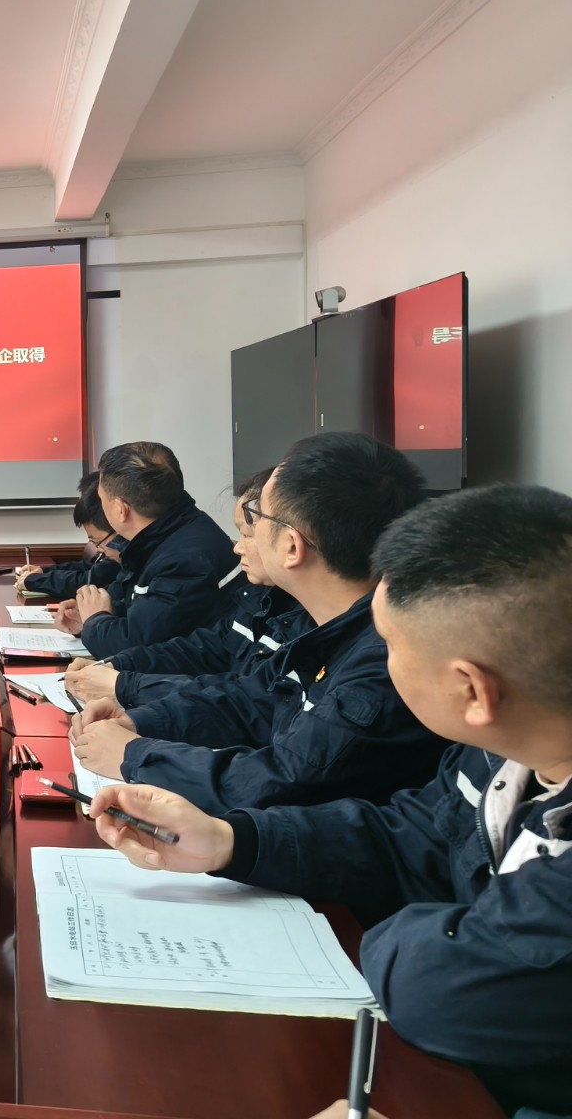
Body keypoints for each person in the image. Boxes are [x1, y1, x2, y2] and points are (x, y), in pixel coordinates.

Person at [91, 484, 572, 1116]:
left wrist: (406, 929)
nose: (379, 660)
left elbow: (437, 990)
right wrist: (233, 841)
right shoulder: (503, 749)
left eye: (391, 646)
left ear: (471, 692)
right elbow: (411, 835)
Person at [72, 432, 445, 812]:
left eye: (255, 521)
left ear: (291, 546)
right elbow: (251, 701)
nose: (237, 544)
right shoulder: (320, 625)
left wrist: (135, 754)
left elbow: (284, 779)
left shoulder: (383, 663)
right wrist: (139, 721)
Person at [65, 466, 309, 708]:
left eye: (248, 535)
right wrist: (115, 665)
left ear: (291, 545)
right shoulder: (261, 595)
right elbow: (204, 650)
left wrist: (124, 685)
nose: (237, 547)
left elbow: (248, 703)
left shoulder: (188, 555)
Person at [53, 442, 239, 658]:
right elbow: (146, 613)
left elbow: (133, 645)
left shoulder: (184, 559)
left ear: (120, 509)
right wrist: (89, 615)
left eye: (102, 499)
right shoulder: (163, 534)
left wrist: (96, 621)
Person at [12, 470, 123, 598]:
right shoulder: (111, 547)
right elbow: (89, 567)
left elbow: (87, 580)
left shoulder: (120, 553)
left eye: (96, 541)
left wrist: (37, 580)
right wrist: (43, 572)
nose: (99, 548)